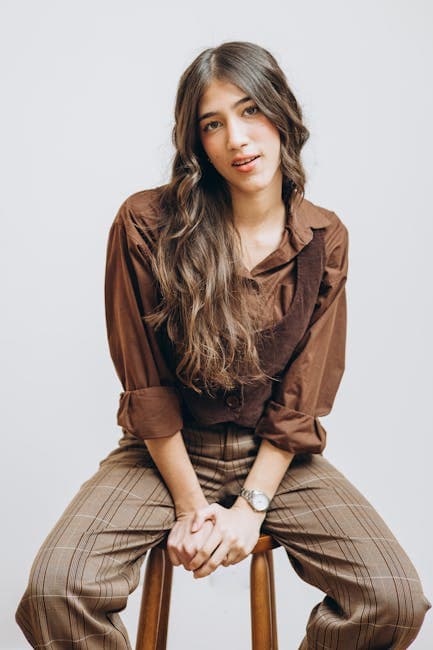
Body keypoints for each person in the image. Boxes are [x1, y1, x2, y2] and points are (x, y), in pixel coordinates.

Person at [15, 40, 431, 649]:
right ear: (197, 143)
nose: (238, 137)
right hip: (164, 452)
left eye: (251, 111)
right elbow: (147, 386)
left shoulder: (324, 237)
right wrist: (191, 505)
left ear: (281, 114)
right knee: (57, 591)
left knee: (392, 598)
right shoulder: (146, 224)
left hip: (276, 455)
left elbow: (304, 394)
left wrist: (251, 508)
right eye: (214, 124)